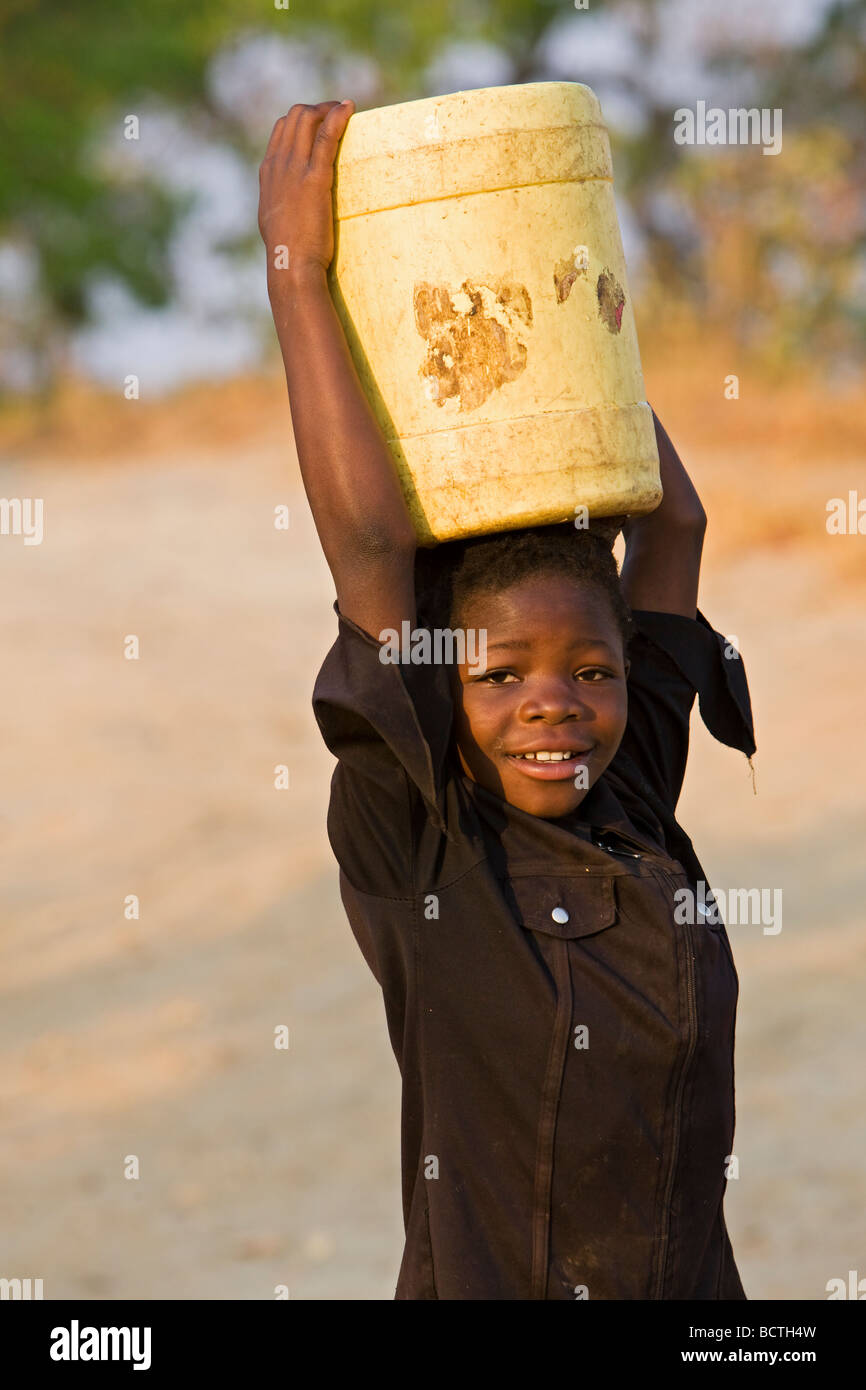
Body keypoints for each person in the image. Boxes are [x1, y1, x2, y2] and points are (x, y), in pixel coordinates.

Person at [258, 99, 757, 1300]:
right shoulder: (427, 841)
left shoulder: (628, 802)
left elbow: (671, 519)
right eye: (496, 675)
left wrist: (560, 343)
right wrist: (299, 274)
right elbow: (374, 547)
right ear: (445, 681)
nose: (553, 706)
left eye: (589, 674)